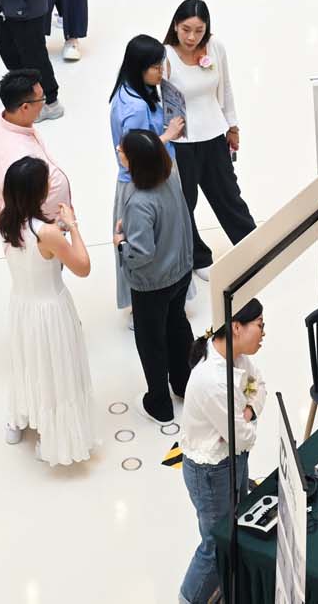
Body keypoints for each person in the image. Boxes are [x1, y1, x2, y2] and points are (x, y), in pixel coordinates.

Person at [0, 157, 97, 465]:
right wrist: (73, 227)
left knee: (29, 362)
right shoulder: (47, 233)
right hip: (51, 310)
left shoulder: (7, 221)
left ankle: (19, 419)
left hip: (22, 305)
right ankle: (52, 437)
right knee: (55, 368)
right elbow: (83, 267)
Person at [179, 298, 267, 604]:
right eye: (260, 325)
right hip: (211, 472)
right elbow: (243, 438)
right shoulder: (213, 381)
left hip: (231, 458)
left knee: (235, 529)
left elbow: (259, 385)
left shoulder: (236, 356)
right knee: (216, 544)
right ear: (236, 327)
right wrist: (247, 418)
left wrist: (247, 410)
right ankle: (188, 598)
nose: (264, 333)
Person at [163, 0, 256, 275]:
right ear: (176, 26)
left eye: (199, 30)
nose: (192, 37)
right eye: (186, 29)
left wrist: (233, 126)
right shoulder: (165, 56)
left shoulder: (215, 47)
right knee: (186, 202)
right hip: (182, 142)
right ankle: (199, 258)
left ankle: (252, 246)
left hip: (214, 135)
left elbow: (225, 88)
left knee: (228, 195)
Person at [114, 129, 194, 421]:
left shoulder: (139, 201)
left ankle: (159, 404)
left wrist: (121, 244)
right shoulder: (170, 178)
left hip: (152, 284)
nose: (118, 150)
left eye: (123, 150)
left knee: (151, 342)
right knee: (177, 326)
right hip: (180, 271)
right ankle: (185, 384)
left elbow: (141, 253)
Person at [110, 34, 184, 309]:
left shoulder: (128, 90)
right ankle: (144, 303)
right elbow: (136, 153)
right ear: (139, 67)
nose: (161, 72)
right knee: (155, 242)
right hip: (147, 182)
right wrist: (168, 135)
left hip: (148, 178)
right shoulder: (137, 108)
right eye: (155, 67)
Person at [0, 69, 74, 228]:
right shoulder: (20, 160)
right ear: (25, 107)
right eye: (42, 98)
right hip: (43, 228)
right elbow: (18, 207)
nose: (44, 102)